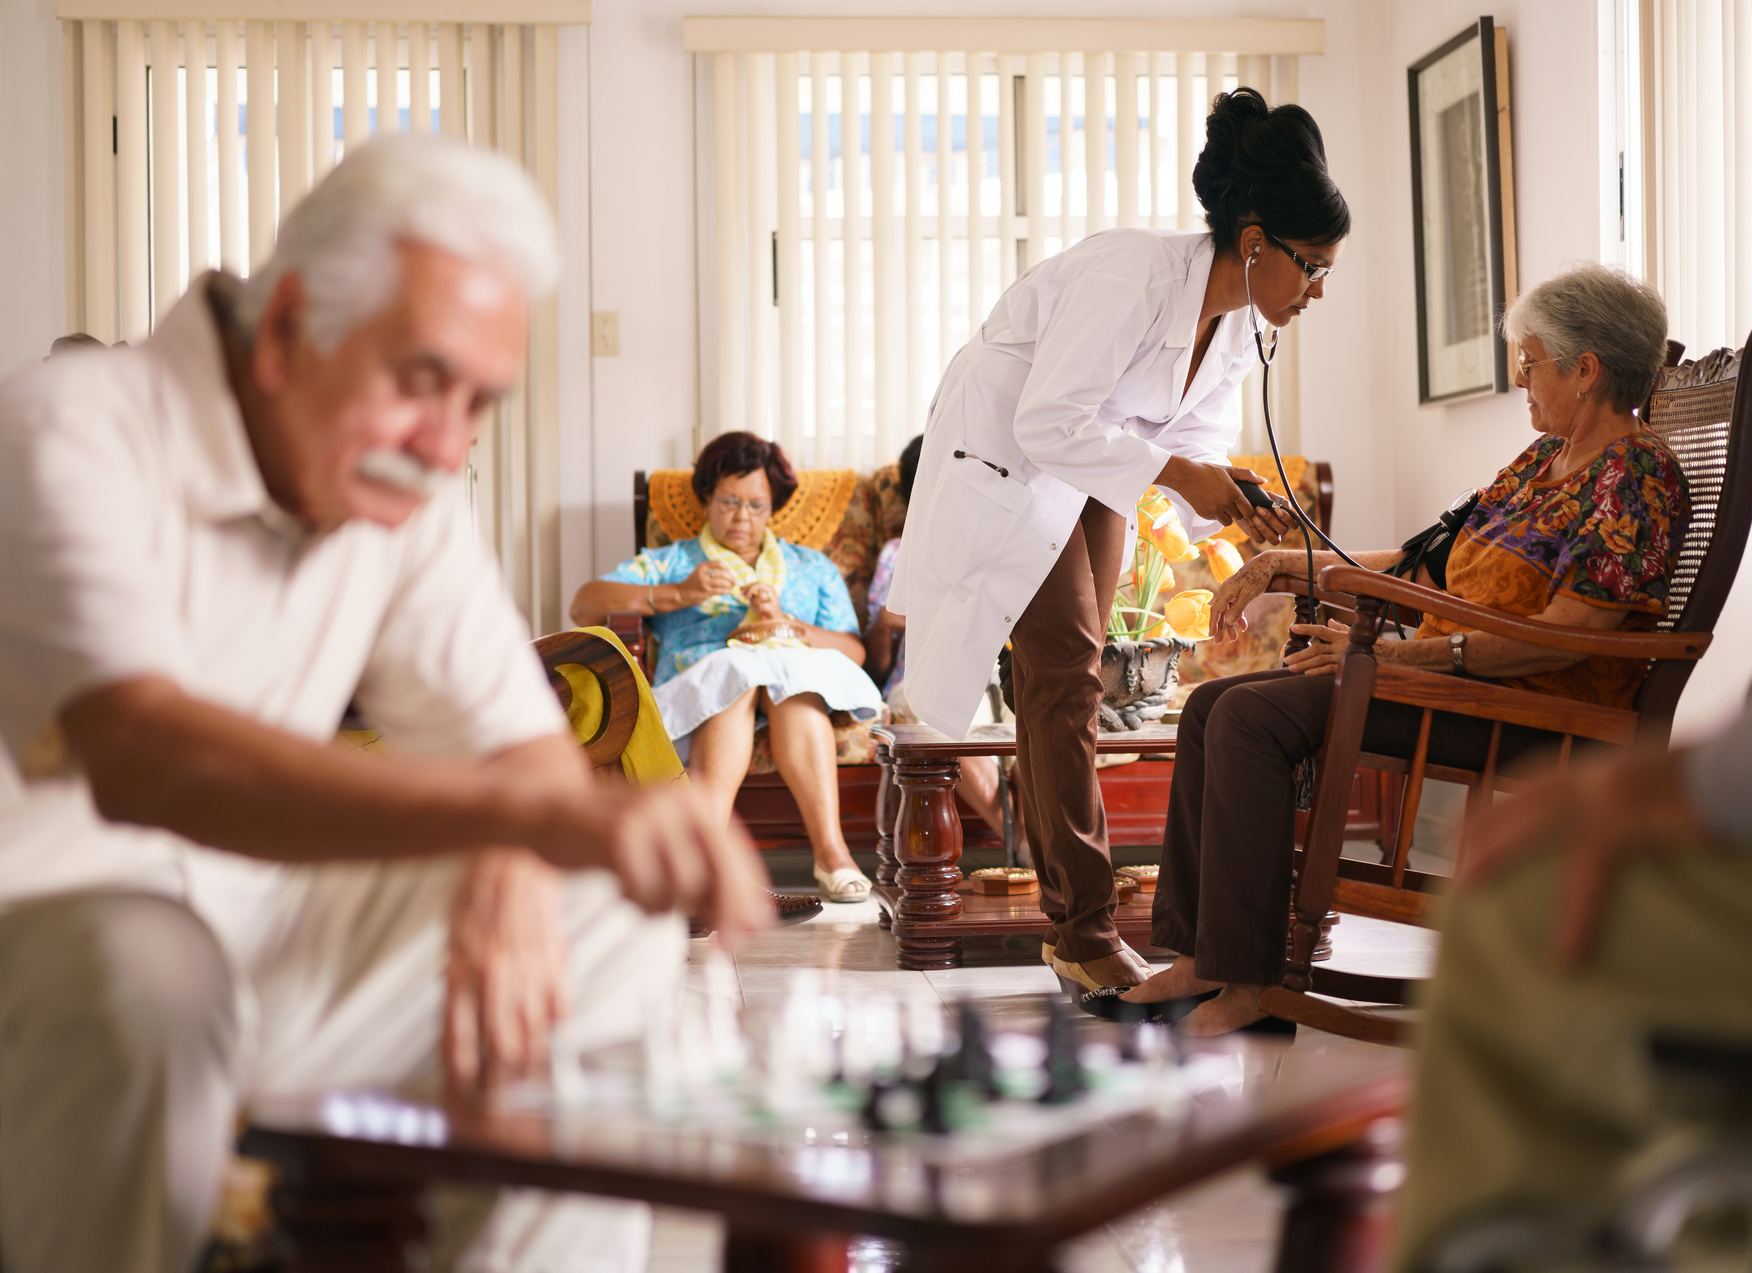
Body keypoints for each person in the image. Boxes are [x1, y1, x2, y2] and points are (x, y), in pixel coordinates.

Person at [0, 135, 769, 1273]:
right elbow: (149, 758)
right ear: (285, 329)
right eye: (421, 380)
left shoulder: (392, 481)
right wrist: (517, 820)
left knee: (597, 910)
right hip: (52, 937)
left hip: (255, 935)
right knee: (148, 969)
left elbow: (518, 747)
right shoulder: (66, 427)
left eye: (481, 404)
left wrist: (519, 846)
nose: (448, 445)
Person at [1120, 263, 1694, 1035]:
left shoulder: (1635, 475)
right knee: (1215, 703)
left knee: (1249, 718)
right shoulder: (1540, 462)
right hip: (1454, 683)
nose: (1519, 380)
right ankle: (1203, 956)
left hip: (1529, 707)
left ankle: (1249, 984)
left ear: (1584, 370)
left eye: (1528, 363)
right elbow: (1418, 564)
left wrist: (1390, 661)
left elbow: (1568, 635)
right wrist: (1284, 565)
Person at [888, 88, 1316, 999]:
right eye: (1310, 265)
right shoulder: (1133, 273)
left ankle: (1075, 922)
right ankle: (1080, 926)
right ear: (1253, 242)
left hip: (1095, 464)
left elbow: (1194, 443)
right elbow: (1047, 417)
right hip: (1011, 449)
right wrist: (1178, 475)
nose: (1318, 288)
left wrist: (1238, 502)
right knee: (1066, 666)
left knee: (1068, 681)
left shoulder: (1237, 324)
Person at [1389, 545, 1752, 1270]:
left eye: (1540, 413)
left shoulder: (1627, 478)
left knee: (1508, 893)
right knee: (1243, 706)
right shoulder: (1537, 468)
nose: (1532, 419)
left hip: (1537, 692)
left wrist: (1705, 781)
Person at [570, 431, 883, 902]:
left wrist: (789, 626)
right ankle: (705, 862)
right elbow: (583, 606)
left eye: (756, 505)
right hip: (706, 698)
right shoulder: (674, 562)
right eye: (729, 502)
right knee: (736, 682)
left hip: (791, 692)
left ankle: (833, 854)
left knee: (788, 685)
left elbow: (853, 652)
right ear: (706, 500)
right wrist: (680, 594)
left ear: (773, 506)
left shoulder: (810, 567)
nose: (741, 517)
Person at [866, 434, 1007, 839]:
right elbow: (876, 659)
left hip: (1004, 676)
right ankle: (1032, 844)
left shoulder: (1005, 543)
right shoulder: (898, 553)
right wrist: (885, 622)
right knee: (942, 714)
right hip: (924, 676)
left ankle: (1040, 848)